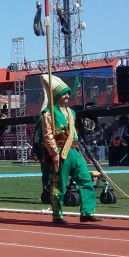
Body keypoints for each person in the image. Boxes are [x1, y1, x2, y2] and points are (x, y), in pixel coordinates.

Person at [38, 74, 102, 225]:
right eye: (64, 93)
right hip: (60, 151)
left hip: (75, 150)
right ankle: (57, 215)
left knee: (86, 180)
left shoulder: (72, 112)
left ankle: (87, 212)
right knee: (58, 184)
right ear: (57, 95)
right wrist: (54, 154)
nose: (67, 95)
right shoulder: (48, 113)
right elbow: (47, 135)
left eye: (68, 93)